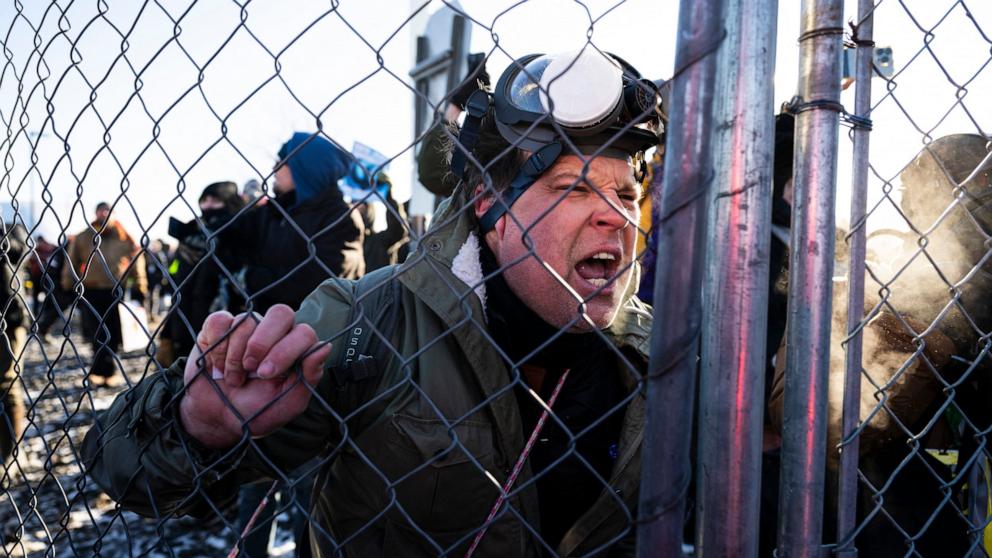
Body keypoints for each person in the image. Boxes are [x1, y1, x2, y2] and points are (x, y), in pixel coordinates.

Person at [83, 50, 662, 556]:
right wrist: (198, 424)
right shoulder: (372, 324)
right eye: (574, 186)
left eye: (628, 193)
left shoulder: (667, 349)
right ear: (488, 204)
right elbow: (124, 469)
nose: (616, 215)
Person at [224, 132, 365, 314]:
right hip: (266, 326)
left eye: (282, 162)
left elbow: (318, 283)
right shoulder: (279, 210)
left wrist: (250, 278)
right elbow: (234, 232)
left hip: (319, 332)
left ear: (304, 168)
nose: (274, 169)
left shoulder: (340, 217)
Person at [158, 182, 246, 367]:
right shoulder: (188, 238)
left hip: (222, 330)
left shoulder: (239, 236)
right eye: (204, 200)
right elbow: (179, 288)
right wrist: (166, 334)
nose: (208, 206)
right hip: (184, 326)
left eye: (216, 200)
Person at [61, 202, 147, 386]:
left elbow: (136, 261)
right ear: (95, 213)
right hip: (91, 289)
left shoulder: (125, 236)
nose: (104, 214)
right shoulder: (85, 236)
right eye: (101, 210)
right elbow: (71, 261)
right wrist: (68, 284)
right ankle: (99, 370)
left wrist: (140, 286)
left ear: (114, 214)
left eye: (108, 211)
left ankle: (109, 370)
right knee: (95, 331)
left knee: (114, 331)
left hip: (116, 290)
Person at [1, 221, 29, 469]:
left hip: (8, 320)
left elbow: (19, 250)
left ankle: (7, 456)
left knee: (6, 383)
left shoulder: (10, 228)